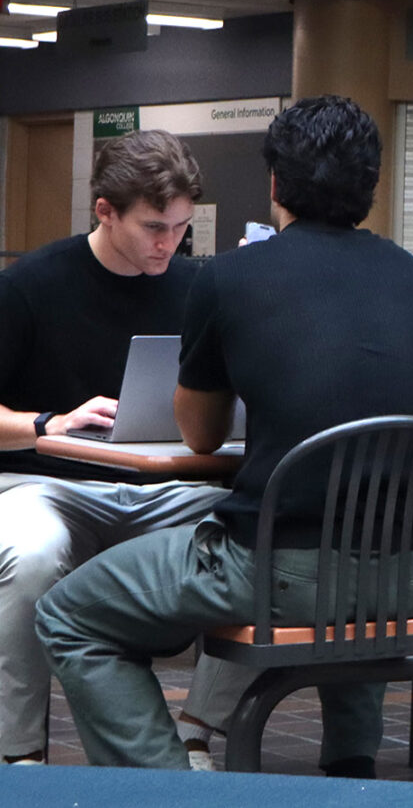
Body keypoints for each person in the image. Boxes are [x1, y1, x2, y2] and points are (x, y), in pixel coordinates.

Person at [36, 96, 413, 775]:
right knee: (359, 538)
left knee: (71, 616)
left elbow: (200, 437)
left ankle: (169, 787)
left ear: (275, 185)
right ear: (370, 187)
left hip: (279, 572)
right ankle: (352, 768)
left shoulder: (230, 277)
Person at [0, 129, 244, 768]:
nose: (170, 244)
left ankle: (196, 731)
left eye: (182, 229)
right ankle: (19, 753)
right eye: (154, 227)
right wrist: (47, 423)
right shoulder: (29, 285)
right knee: (30, 554)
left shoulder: (200, 286)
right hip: (47, 485)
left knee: (261, 540)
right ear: (104, 211)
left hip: (167, 484)